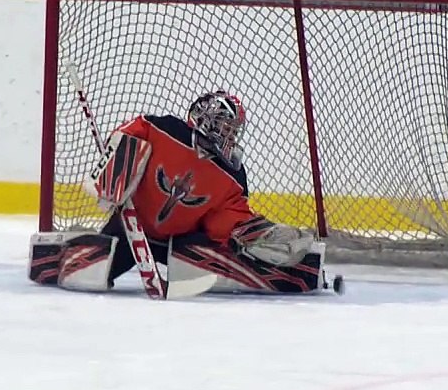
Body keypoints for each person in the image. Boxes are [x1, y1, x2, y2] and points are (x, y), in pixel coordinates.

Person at [29, 90, 339, 296]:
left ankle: (290, 273)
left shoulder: (231, 175)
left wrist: (252, 233)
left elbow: (225, 220)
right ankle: (57, 257)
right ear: (204, 119)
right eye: (225, 126)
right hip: (129, 228)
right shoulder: (163, 129)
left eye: (234, 130)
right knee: (92, 271)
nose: (231, 135)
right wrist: (112, 175)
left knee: (218, 256)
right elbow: (128, 134)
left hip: (179, 243)